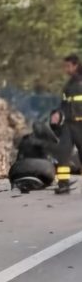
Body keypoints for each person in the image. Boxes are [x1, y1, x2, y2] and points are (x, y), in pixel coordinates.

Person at [56, 54, 82, 194]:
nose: (66, 69)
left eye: (68, 66)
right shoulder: (69, 84)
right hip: (68, 124)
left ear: (75, 65)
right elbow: (64, 103)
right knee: (63, 153)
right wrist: (58, 114)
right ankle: (63, 184)